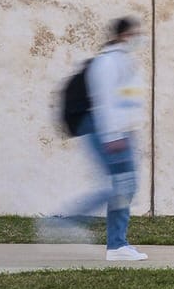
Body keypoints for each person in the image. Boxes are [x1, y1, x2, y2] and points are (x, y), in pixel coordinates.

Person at [46, 17, 149, 261]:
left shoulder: (124, 61)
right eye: (135, 33)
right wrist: (113, 136)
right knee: (121, 186)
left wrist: (130, 130)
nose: (140, 38)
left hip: (121, 132)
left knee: (125, 187)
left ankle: (117, 246)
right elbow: (105, 102)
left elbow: (127, 101)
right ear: (123, 35)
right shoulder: (107, 62)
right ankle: (67, 221)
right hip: (107, 131)